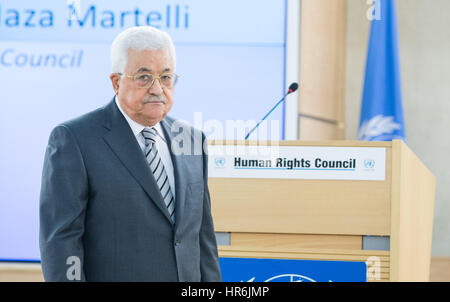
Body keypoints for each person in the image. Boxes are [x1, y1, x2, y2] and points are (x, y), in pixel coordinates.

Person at [39, 26, 221, 282]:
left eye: (166, 77)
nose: (158, 89)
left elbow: (202, 239)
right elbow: (61, 241)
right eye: (144, 77)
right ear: (116, 82)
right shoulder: (75, 140)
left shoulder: (192, 140)